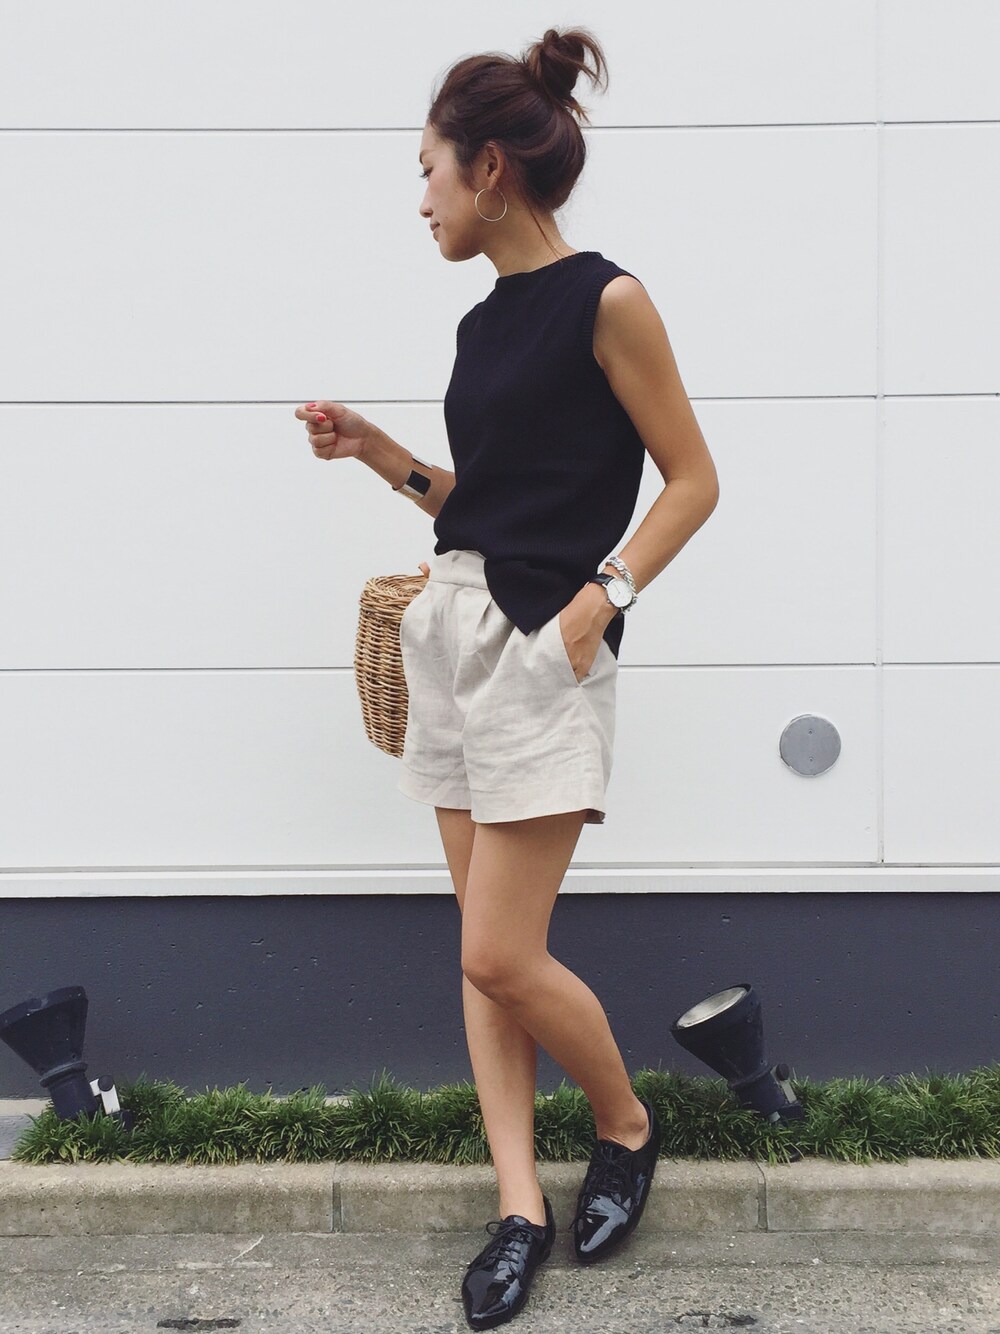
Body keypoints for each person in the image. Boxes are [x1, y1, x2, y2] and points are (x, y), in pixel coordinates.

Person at [296, 25, 719, 1330]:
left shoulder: (609, 300)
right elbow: (479, 501)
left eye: (427, 170)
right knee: (484, 961)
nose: (418, 198)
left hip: (546, 641)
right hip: (454, 628)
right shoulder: (480, 326)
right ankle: (519, 1205)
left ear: (489, 169)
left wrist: (603, 599)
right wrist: (378, 452)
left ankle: (626, 1122)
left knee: (499, 947)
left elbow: (693, 479)